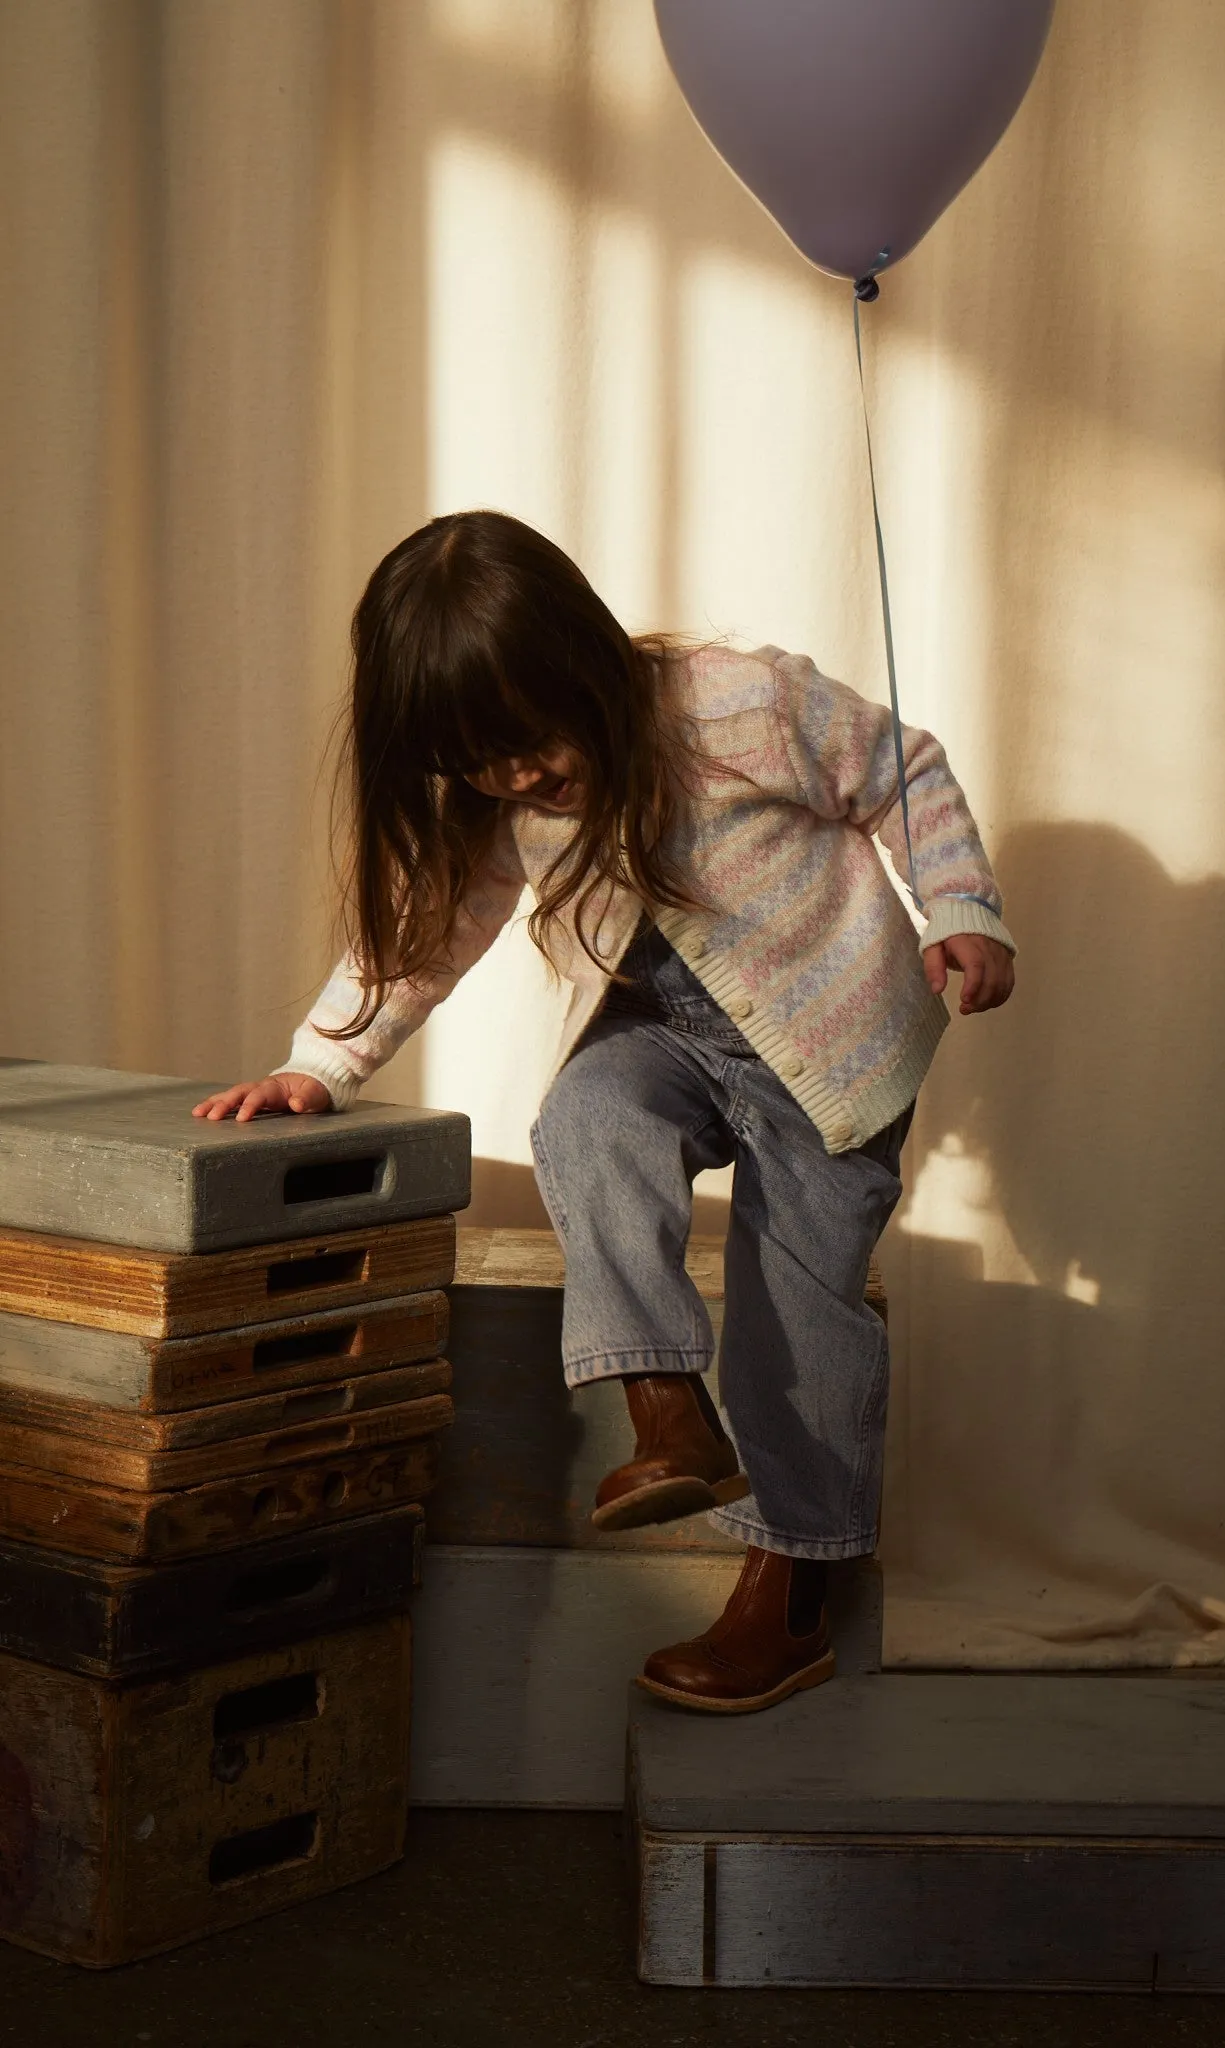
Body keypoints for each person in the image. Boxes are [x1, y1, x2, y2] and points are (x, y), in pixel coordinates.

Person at [195, 509, 1015, 1714]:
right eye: (480, 764)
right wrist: (322, 1062)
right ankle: (667, 1412)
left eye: (528, 741)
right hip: (666, 1036)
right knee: (585, 1114)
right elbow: (423, 936)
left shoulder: (741, 706)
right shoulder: (501, 797)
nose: (519, 776)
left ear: (581, 655)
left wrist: (960, 908)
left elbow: (906, 770)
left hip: (828, 1054)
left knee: (799, 1310)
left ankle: (794, 1583)